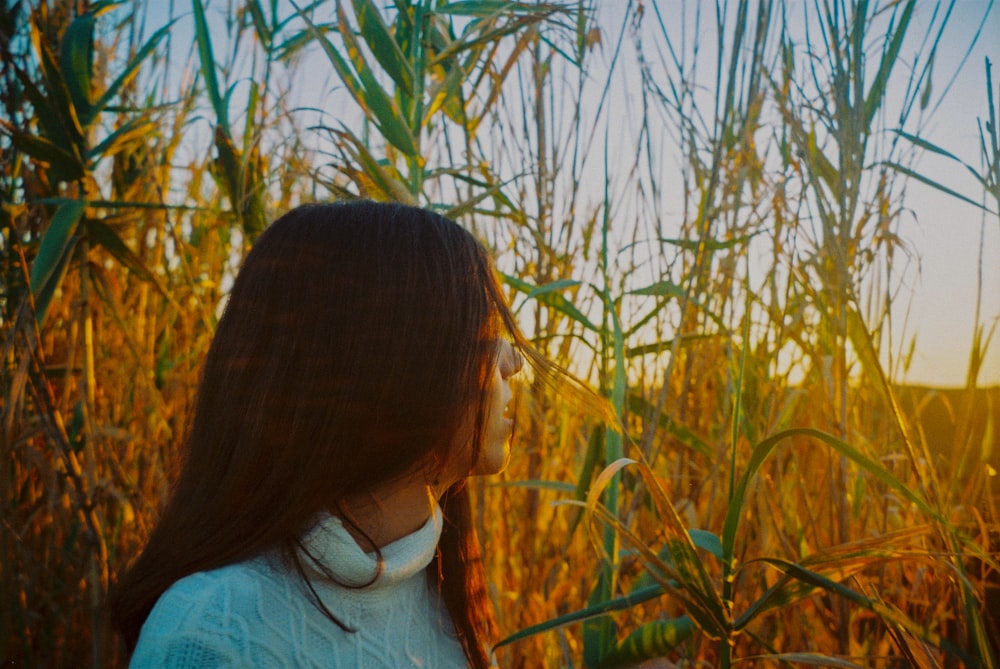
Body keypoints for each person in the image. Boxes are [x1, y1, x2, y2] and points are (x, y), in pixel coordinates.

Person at [108, 201, 542, 668]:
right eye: (479, 332)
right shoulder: (213, 635)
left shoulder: (439, 591)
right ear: (389, 365)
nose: (512, 362)